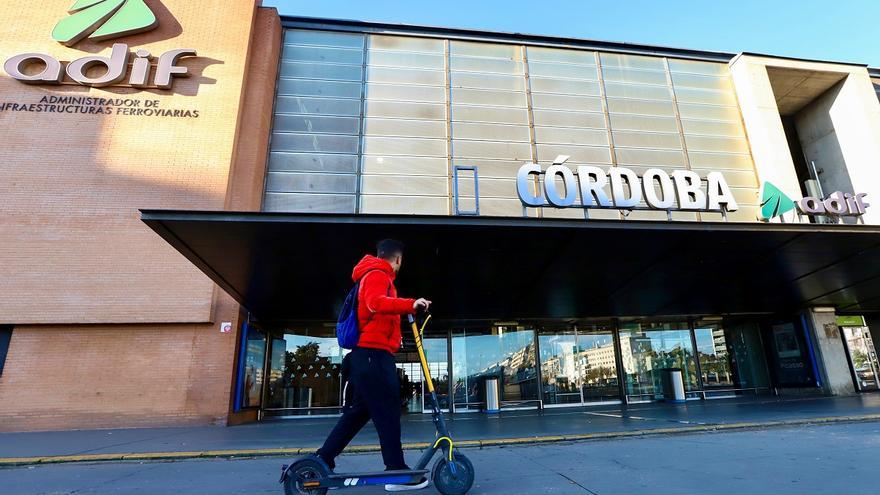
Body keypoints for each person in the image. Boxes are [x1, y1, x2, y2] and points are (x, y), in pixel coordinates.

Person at [314, 239, 432, 492]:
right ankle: (396, 472)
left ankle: (321, 461)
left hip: (368, 356)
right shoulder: (378, 274)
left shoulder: (374, 274)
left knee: (358, 414)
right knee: (388, 413)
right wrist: (410, 303)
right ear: (398, 259)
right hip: (373, 356)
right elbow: (374, 303)